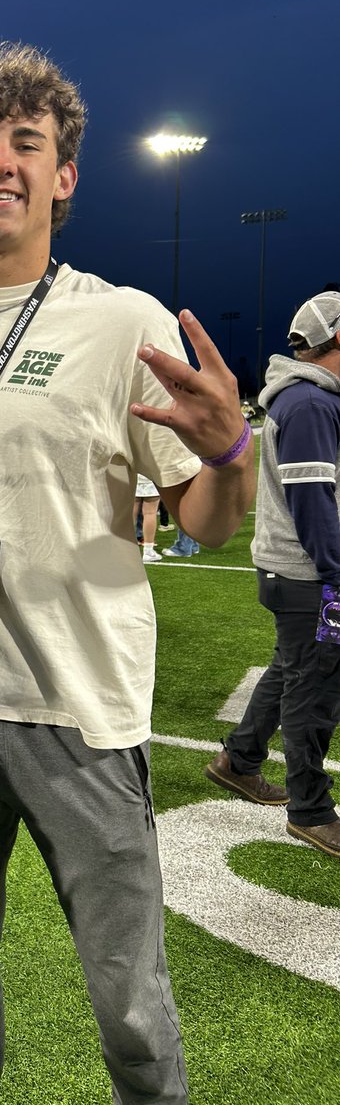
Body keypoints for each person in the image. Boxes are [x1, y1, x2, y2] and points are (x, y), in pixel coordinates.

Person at [0, 43, 255, 1105]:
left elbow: (209, 527)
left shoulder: (125, 322)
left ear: (64, 176)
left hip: (79, 714)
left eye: (26, 143)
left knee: (127, 996)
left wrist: (231, 454)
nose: (2, 161)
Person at [206, 291, 340, 858]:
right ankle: (309, 810)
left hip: (295, 570)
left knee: (292, 669)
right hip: (310, 573)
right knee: (317, 686)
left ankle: (239, 760)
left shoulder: (305, 399)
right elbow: (313, 499)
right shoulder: (310, 403)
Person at [134, 473, 162, 562]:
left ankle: (123, 548)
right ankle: (148, 551)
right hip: (150, 475)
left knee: (129, 513)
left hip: (132, 474)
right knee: (150, 513)